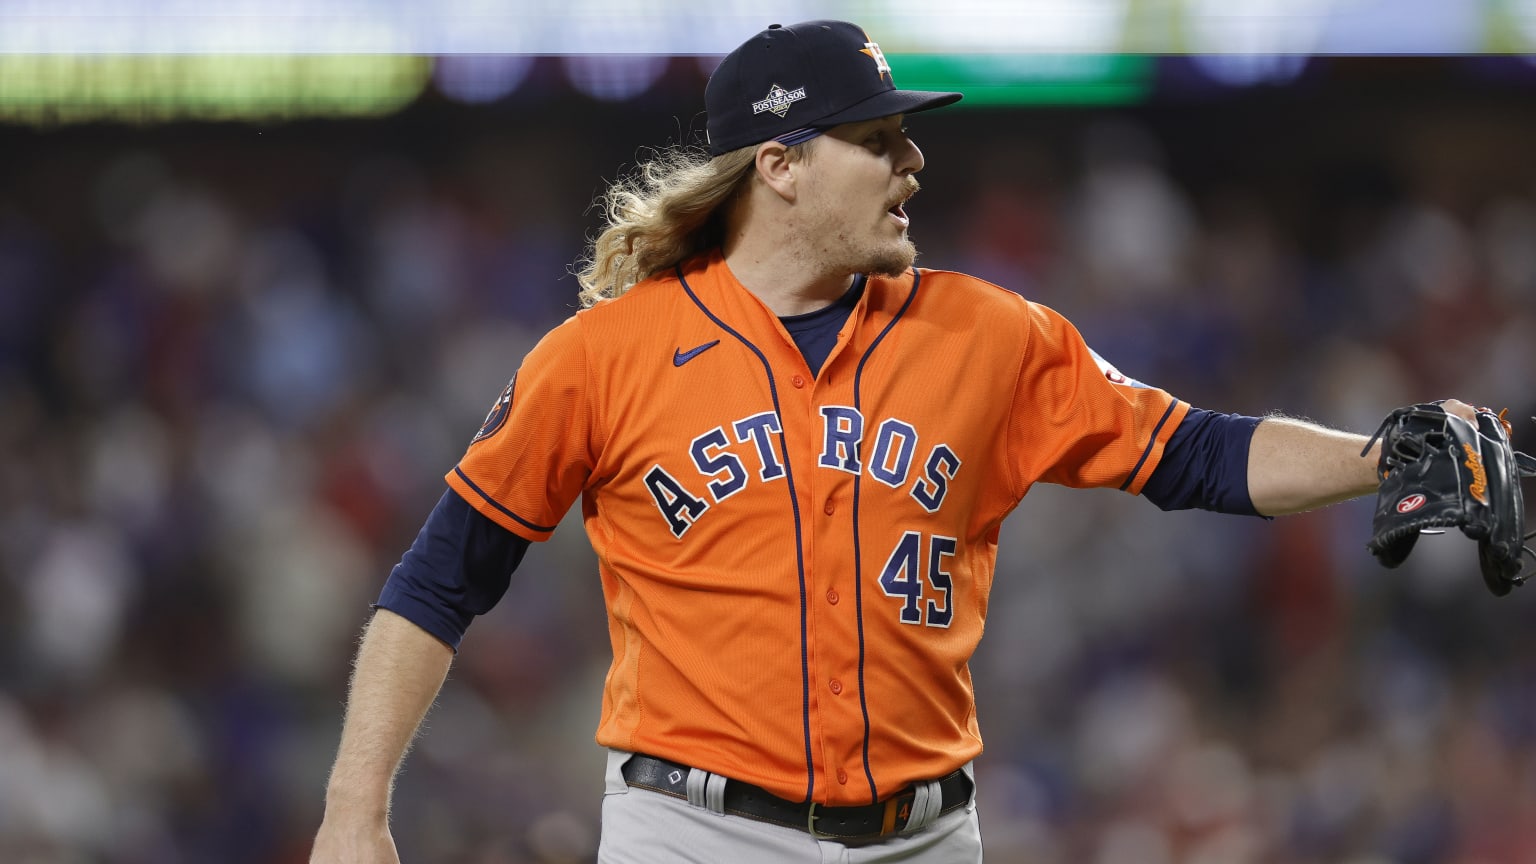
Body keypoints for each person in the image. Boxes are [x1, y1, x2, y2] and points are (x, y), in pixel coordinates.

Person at [309, 19, 1481, 863]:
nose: (912, 163)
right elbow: (436, 584)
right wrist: (354, 810)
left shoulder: (990, 333)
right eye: (877, 139)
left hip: (926, 835)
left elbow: (1199, 455)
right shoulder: (604, 355)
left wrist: (1382, 455)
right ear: (780, 164)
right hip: (692, 833)